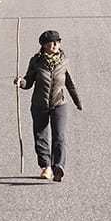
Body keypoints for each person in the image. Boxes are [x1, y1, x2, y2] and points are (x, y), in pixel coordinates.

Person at [15, 28, 82, 181]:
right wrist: (21, 82)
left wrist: (78, 102)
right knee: (40, 136)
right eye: (52, 42)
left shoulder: (64, 61)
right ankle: (46, 167)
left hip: (59, 103)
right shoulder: (36, 61)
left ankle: (58, 166)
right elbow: (28, 82)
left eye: (58, 41)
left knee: (59, 136)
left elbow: (70, 83)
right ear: (44, 45)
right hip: (39, 104)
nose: (55, 44)